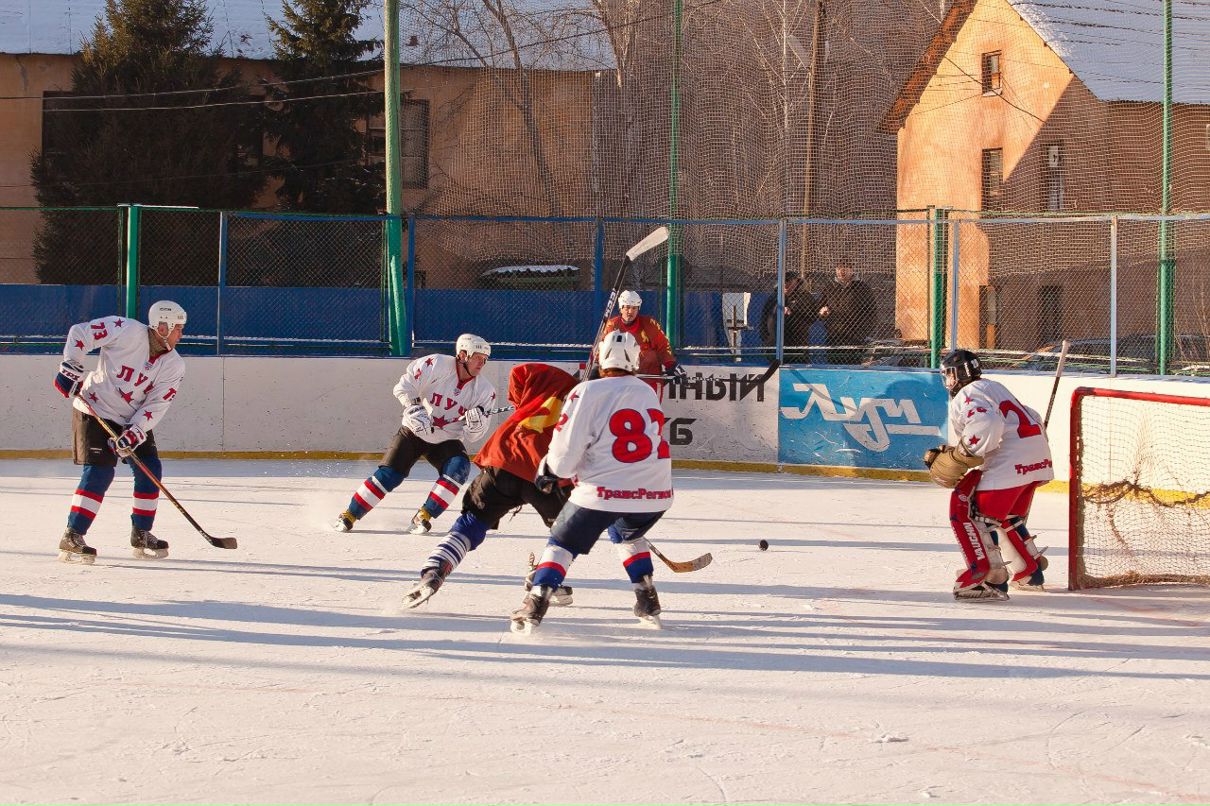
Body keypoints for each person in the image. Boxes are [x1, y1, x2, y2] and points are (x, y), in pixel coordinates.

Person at [511, 330, 674, 633]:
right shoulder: (647, 391)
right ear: (635, 360)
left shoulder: (585, 392)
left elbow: (564, 455)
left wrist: (548, 469)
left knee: (561, 542)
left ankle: (536, 601)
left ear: (600, 357)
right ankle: (646, 595)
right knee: (626, 534)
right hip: (656, 492)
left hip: (603, 492)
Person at [401, 362, 579, 607]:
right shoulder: (598, 402)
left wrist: (521, 402)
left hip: (504, 457)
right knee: (568, 535)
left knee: (472, 521)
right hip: (546, 472)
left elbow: (520, 372)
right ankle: (545, 578)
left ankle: (434, 571)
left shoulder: (552, 377)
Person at [53, 300, 188, 563]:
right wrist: (70, 367)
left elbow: (157, 403)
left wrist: (135, 431)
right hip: (95, 409)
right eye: (177, 328)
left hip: (130, 418)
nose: (181, 334)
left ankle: (141, 532)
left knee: (150, 469)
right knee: (100, 471)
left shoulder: (174, 365)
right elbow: (81, 333)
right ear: (162, 326)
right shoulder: (124, 329)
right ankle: (72, 534)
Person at [332, 333, 497, 536]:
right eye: (477, 357)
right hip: (414, 430)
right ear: (462, 355)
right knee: (390, 475)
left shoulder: (484, 391)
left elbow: (474, 436)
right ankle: (349, 515)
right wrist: (414, 408)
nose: (482, 363)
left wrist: (476, 424)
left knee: (459, 468)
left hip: (446, 438)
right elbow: (403, 387)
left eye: (485, 359)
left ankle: (424, 516)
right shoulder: (436, 364)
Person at [924, 349, 1051, 602]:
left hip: (1010, 461)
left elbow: (987, 424)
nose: (948, 380)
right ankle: (1029, 570)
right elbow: (1031, 415)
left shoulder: (967, 393)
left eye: (949, 374)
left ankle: (988, 578)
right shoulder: (993, 386)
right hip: (1037, 458)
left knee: (972, 512)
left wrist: (963, 454)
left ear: (959, 374)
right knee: (1008, 516)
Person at [601, 290, 685, 395]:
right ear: (621, 308)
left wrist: (671, 365)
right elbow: (603, 349)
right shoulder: (611, 326)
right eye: (627, 307)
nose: (630, 312)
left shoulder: (649, 324)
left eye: (634, 308)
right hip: (620, 379)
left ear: (638, 309)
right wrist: (598, 367)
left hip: (649, 381)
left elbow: (663, 347)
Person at [817, 263, 876, 364]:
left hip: (855, 338)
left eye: (845, 268)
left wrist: (862, 334)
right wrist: (822, 313)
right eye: (839, 268)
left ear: (851, 270)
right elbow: (819, 309)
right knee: (833, 366)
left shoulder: (862, 288)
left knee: (853, 366)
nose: (841, 271)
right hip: (834, 336)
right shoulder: (829, 287)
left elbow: (872, 313)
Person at [760, 275, 817, 362]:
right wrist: (765, 338)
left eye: (790, 281)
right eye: (784, 281)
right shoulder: (773, 297)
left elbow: (812, 317)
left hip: (797, 344)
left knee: (800, 365)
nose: (786, 284)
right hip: (774, 344)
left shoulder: (805, 296)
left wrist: (793, 312)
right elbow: (764, 319)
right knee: (775, 367)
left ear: (797, 282)